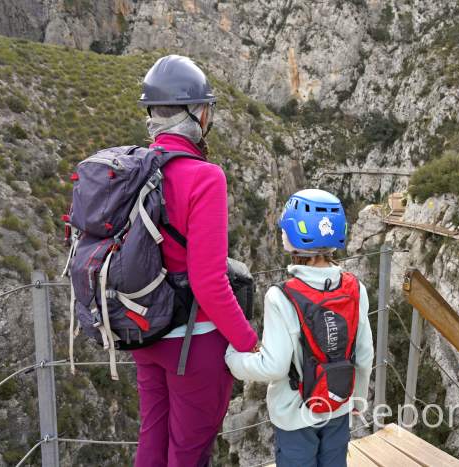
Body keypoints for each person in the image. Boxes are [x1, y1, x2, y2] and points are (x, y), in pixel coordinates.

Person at [132, 55, 258, 467]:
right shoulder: (205, 177)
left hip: (144, 332)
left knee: (152, 441)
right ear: (195, 113)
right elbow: (209, 282)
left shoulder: (136, 167)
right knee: (189, 450)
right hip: (193, 342)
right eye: (207, 108)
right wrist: (249, 343)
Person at [226, 189, 374, 467]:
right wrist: (358, 398)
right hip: (338, 404)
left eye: (284, 228)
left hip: (296, 415)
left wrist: (233, 359)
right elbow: (364, 354)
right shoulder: (356, 288)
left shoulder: (281, 296)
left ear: (295, 234)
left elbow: (274, 367)